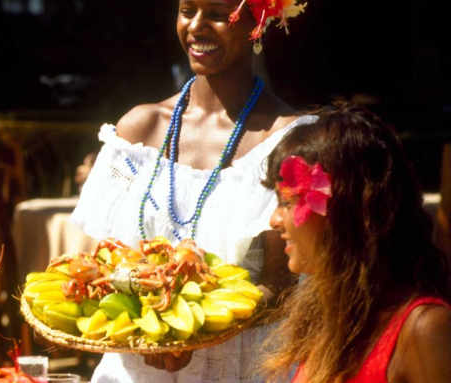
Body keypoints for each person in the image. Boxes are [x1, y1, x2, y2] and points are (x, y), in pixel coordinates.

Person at [71, 0, 307, 381]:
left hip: (243, 370)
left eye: (216, 14)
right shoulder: (138, 132)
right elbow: (98, 262)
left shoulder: (289, 141)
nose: (197, 26)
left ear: (257, 24)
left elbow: (286, 284)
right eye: (187, 10)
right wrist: (147, 326)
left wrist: (197, 326)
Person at [260, 105, 451, 382]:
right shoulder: (326, 322)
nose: (274, 219)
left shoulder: (423, 330)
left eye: (287, 202)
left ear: (343, 207)